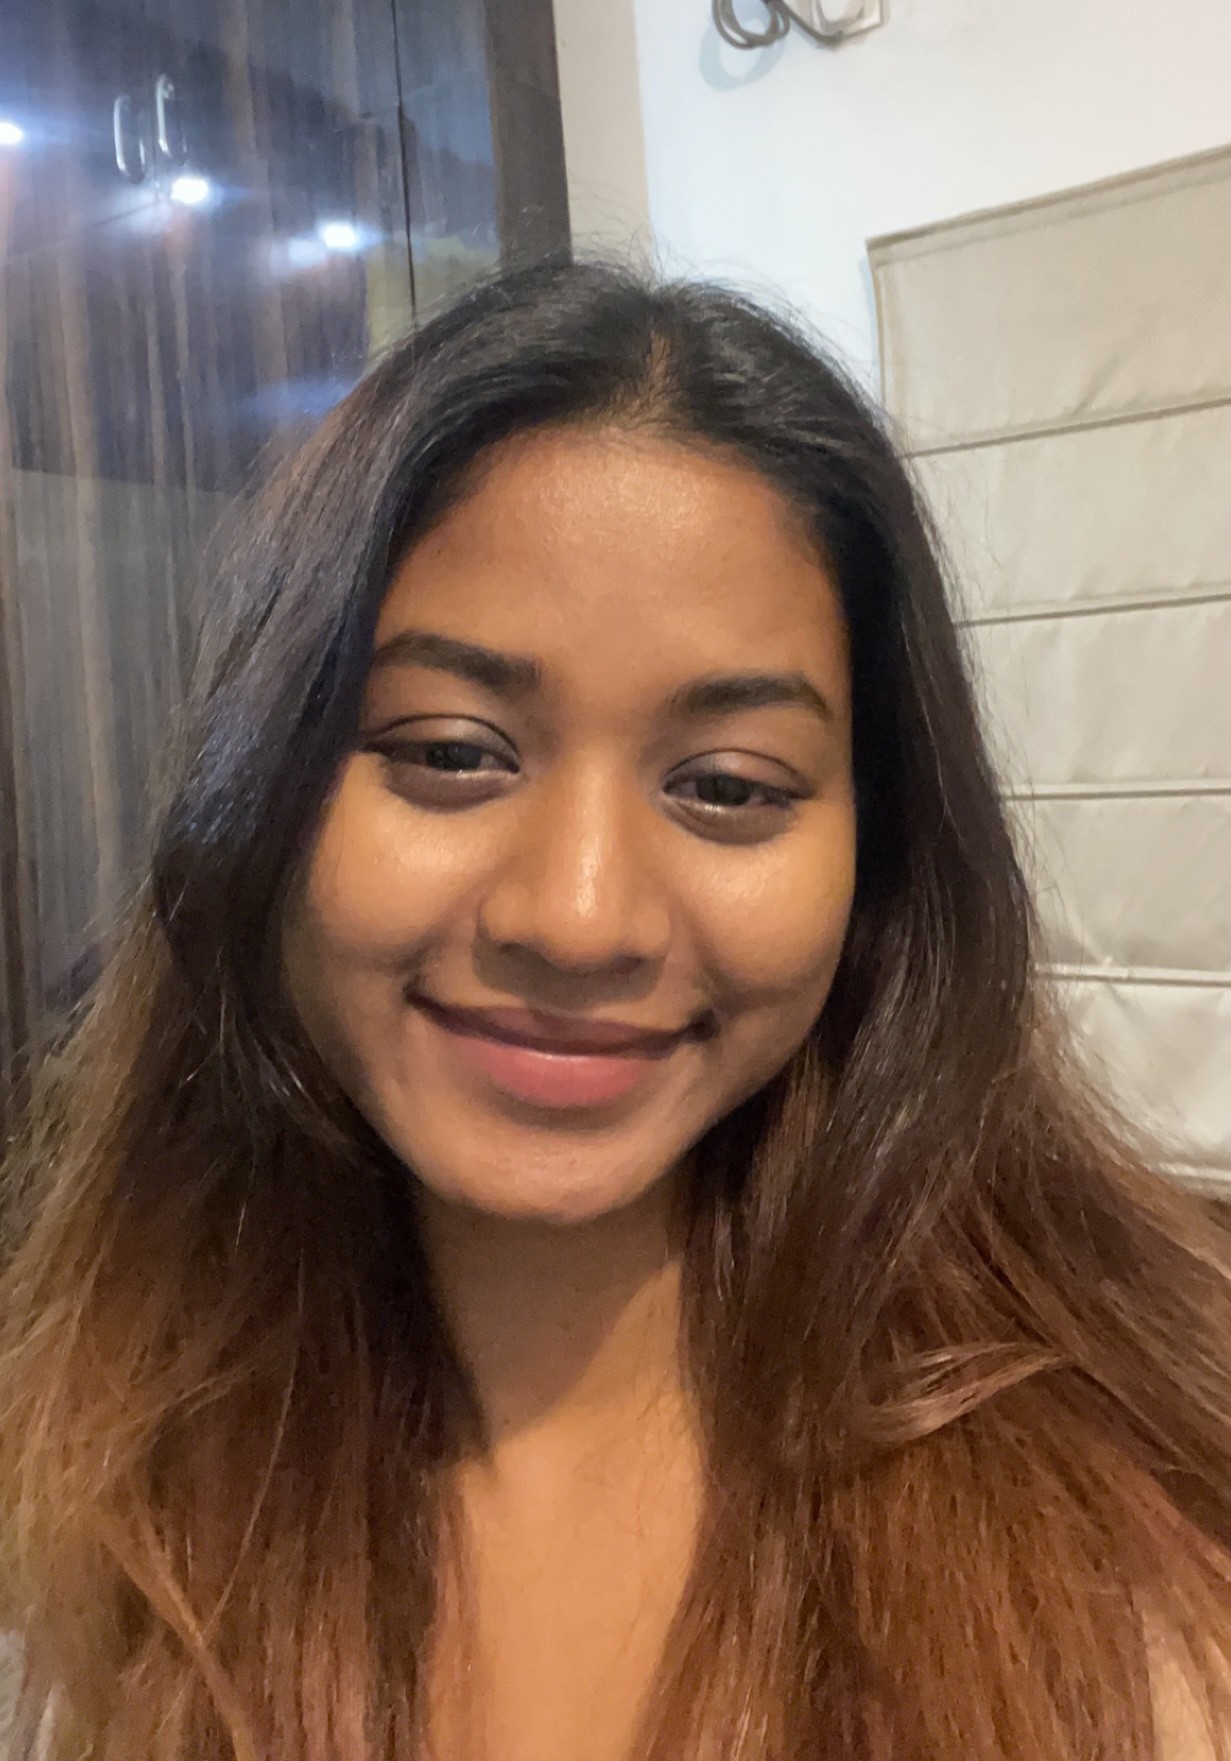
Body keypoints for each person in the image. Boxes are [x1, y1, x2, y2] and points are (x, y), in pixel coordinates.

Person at [0, 258, 1229, 1761]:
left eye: (727, 786)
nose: (579, 918)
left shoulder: (1147, 1543)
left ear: (881, 860)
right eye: (452, 752)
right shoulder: (82, 1504)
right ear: (260, 792)